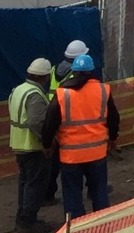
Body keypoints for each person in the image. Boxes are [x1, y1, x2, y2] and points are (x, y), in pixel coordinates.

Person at [43, 54, 119, 218]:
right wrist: (113, 138)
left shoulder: (62, 94)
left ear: (74, 71)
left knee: (72, 195)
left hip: (70, 156)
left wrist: (47, 144)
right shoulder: (103, 90)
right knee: (99, 191)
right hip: (97, 153)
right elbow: (113, 117)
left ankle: (76, 228)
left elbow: (49, 122)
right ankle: (102, 223)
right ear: (91, 71)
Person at [8, 58, 54, 232]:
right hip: (33, 146)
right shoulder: (34, 94)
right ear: (44, 76)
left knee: (25, 182)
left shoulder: (18, 90)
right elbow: (36, 121)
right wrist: (47, 142)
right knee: (35, 183)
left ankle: (23, 217)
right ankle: (28, 220)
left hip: (19, 144)